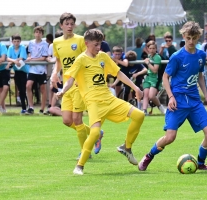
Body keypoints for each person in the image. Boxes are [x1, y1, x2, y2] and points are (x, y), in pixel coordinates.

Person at [56, 28, 145, 175]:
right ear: (87, 43)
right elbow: (70, 79)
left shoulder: (103, 56)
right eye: (96, 45)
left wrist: (136, 88)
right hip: (93, 103)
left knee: (139, 115)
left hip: (109, 99)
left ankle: (126, 148)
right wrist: (63, 91)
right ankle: (80, 166)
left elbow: (118, 73)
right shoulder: (81, 60)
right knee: (95, 132)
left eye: (100, 44)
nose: (99, 48)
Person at [138, 21, 207, 172]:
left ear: (198, 37)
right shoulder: (177, 56)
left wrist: (206, 96)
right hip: (178, 100)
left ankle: (200, 163)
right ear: (183, 37)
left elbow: (200, 76)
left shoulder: (201, 55)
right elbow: (165, 77)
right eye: (188, 38)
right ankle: (149, 156)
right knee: (170, 137)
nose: (191, 41)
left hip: (194, 101)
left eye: (194, 38)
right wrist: (171, 97)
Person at [50, 13, 104, 158]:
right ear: (61, 25)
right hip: (67, 84)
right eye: (66, 23)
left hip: (80, 84)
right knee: (67, 121)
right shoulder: (56, 42)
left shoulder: (81, 40)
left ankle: (85, 152)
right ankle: (96, 133)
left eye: (72, 23)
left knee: (77, 119)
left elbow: (89, 58)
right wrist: (54, 73)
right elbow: (58, 61)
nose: (69, 26)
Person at [25, 26, 49, 114]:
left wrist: (32, 60)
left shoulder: (45, 44)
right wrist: (29, 58)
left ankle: (42, 108)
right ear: (34, 33)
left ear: (42, 34)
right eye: (36, 32)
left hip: (41, 69)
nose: (38, 34)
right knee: (28, 85)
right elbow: (29, 54)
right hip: (32, 69)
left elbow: (44, 58)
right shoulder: (31, 43)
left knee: (43, 89)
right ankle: (31, 107)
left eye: (40, 33)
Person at [6, 34, 29, 114]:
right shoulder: (10, 48)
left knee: (24, 90)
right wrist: (14, 61)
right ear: (12, 42)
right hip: (17, 71)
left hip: (24, 71)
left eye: (18, 41)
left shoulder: (22, 47)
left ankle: (28, 106)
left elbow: (21, 58)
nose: (16, 43)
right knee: (20, 90)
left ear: (20, 41)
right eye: (14, 41)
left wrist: (12, 61)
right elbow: (7, 58)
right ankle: (24, 108)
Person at [142, 40, 166, 115]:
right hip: (148, 77)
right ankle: (144, 111)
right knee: (145, 94)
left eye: (153, 48)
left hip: (155, 78)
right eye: (150, 48)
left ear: (156, 49)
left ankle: (161, 107)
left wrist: (148, 63)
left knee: (151, 96)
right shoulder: (149, 56)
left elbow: (155, 70)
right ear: (148, 49)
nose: (152, 50)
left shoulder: (157, 57)